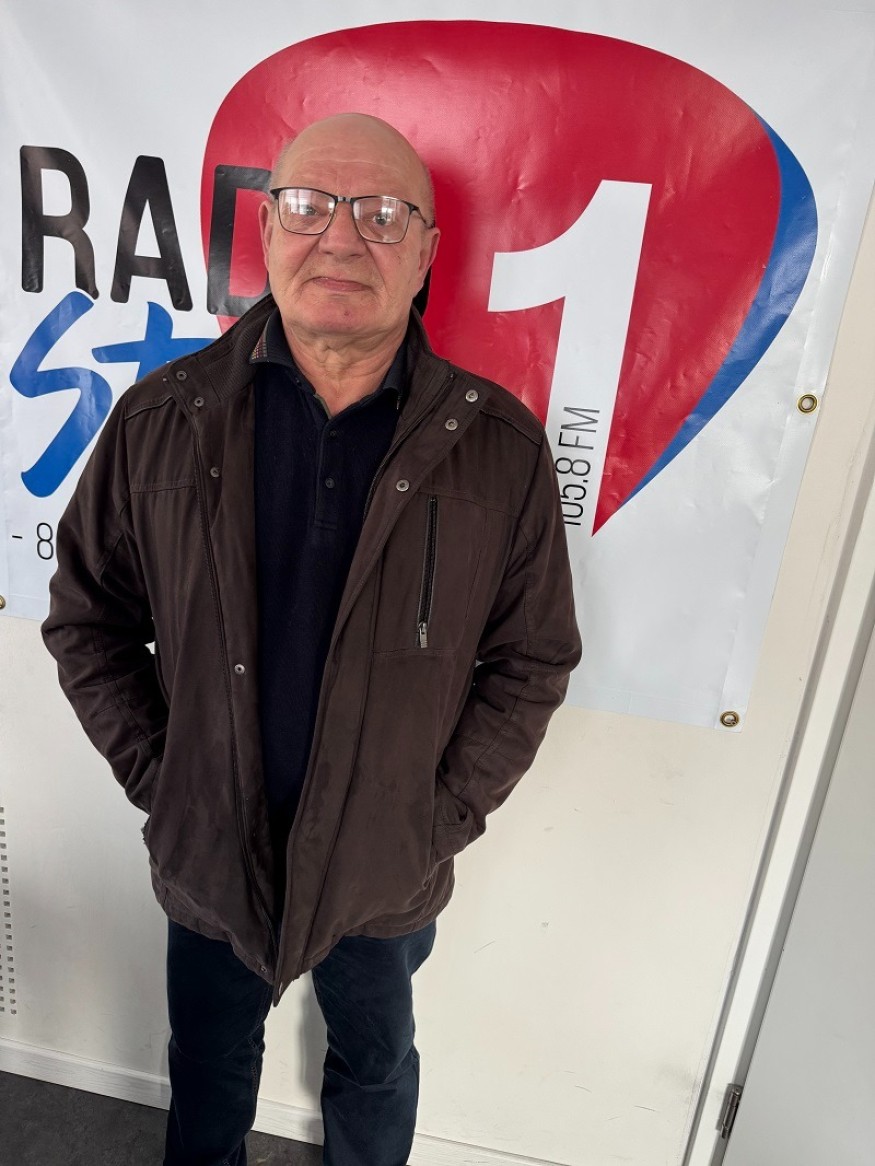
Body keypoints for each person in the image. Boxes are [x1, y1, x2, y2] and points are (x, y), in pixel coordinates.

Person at [42, 113, 581, 1166]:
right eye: (308, 205)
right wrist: (166, 777)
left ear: (425, 252)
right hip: (210, 846)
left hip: (385, 865)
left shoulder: (498, 450)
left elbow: (531, 659)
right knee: (207, 1063)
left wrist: (434, 817)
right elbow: (87, 618)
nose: (340, 237)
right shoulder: (161, 421)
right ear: (265, 231)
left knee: (375, 1064)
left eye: (381, 214)